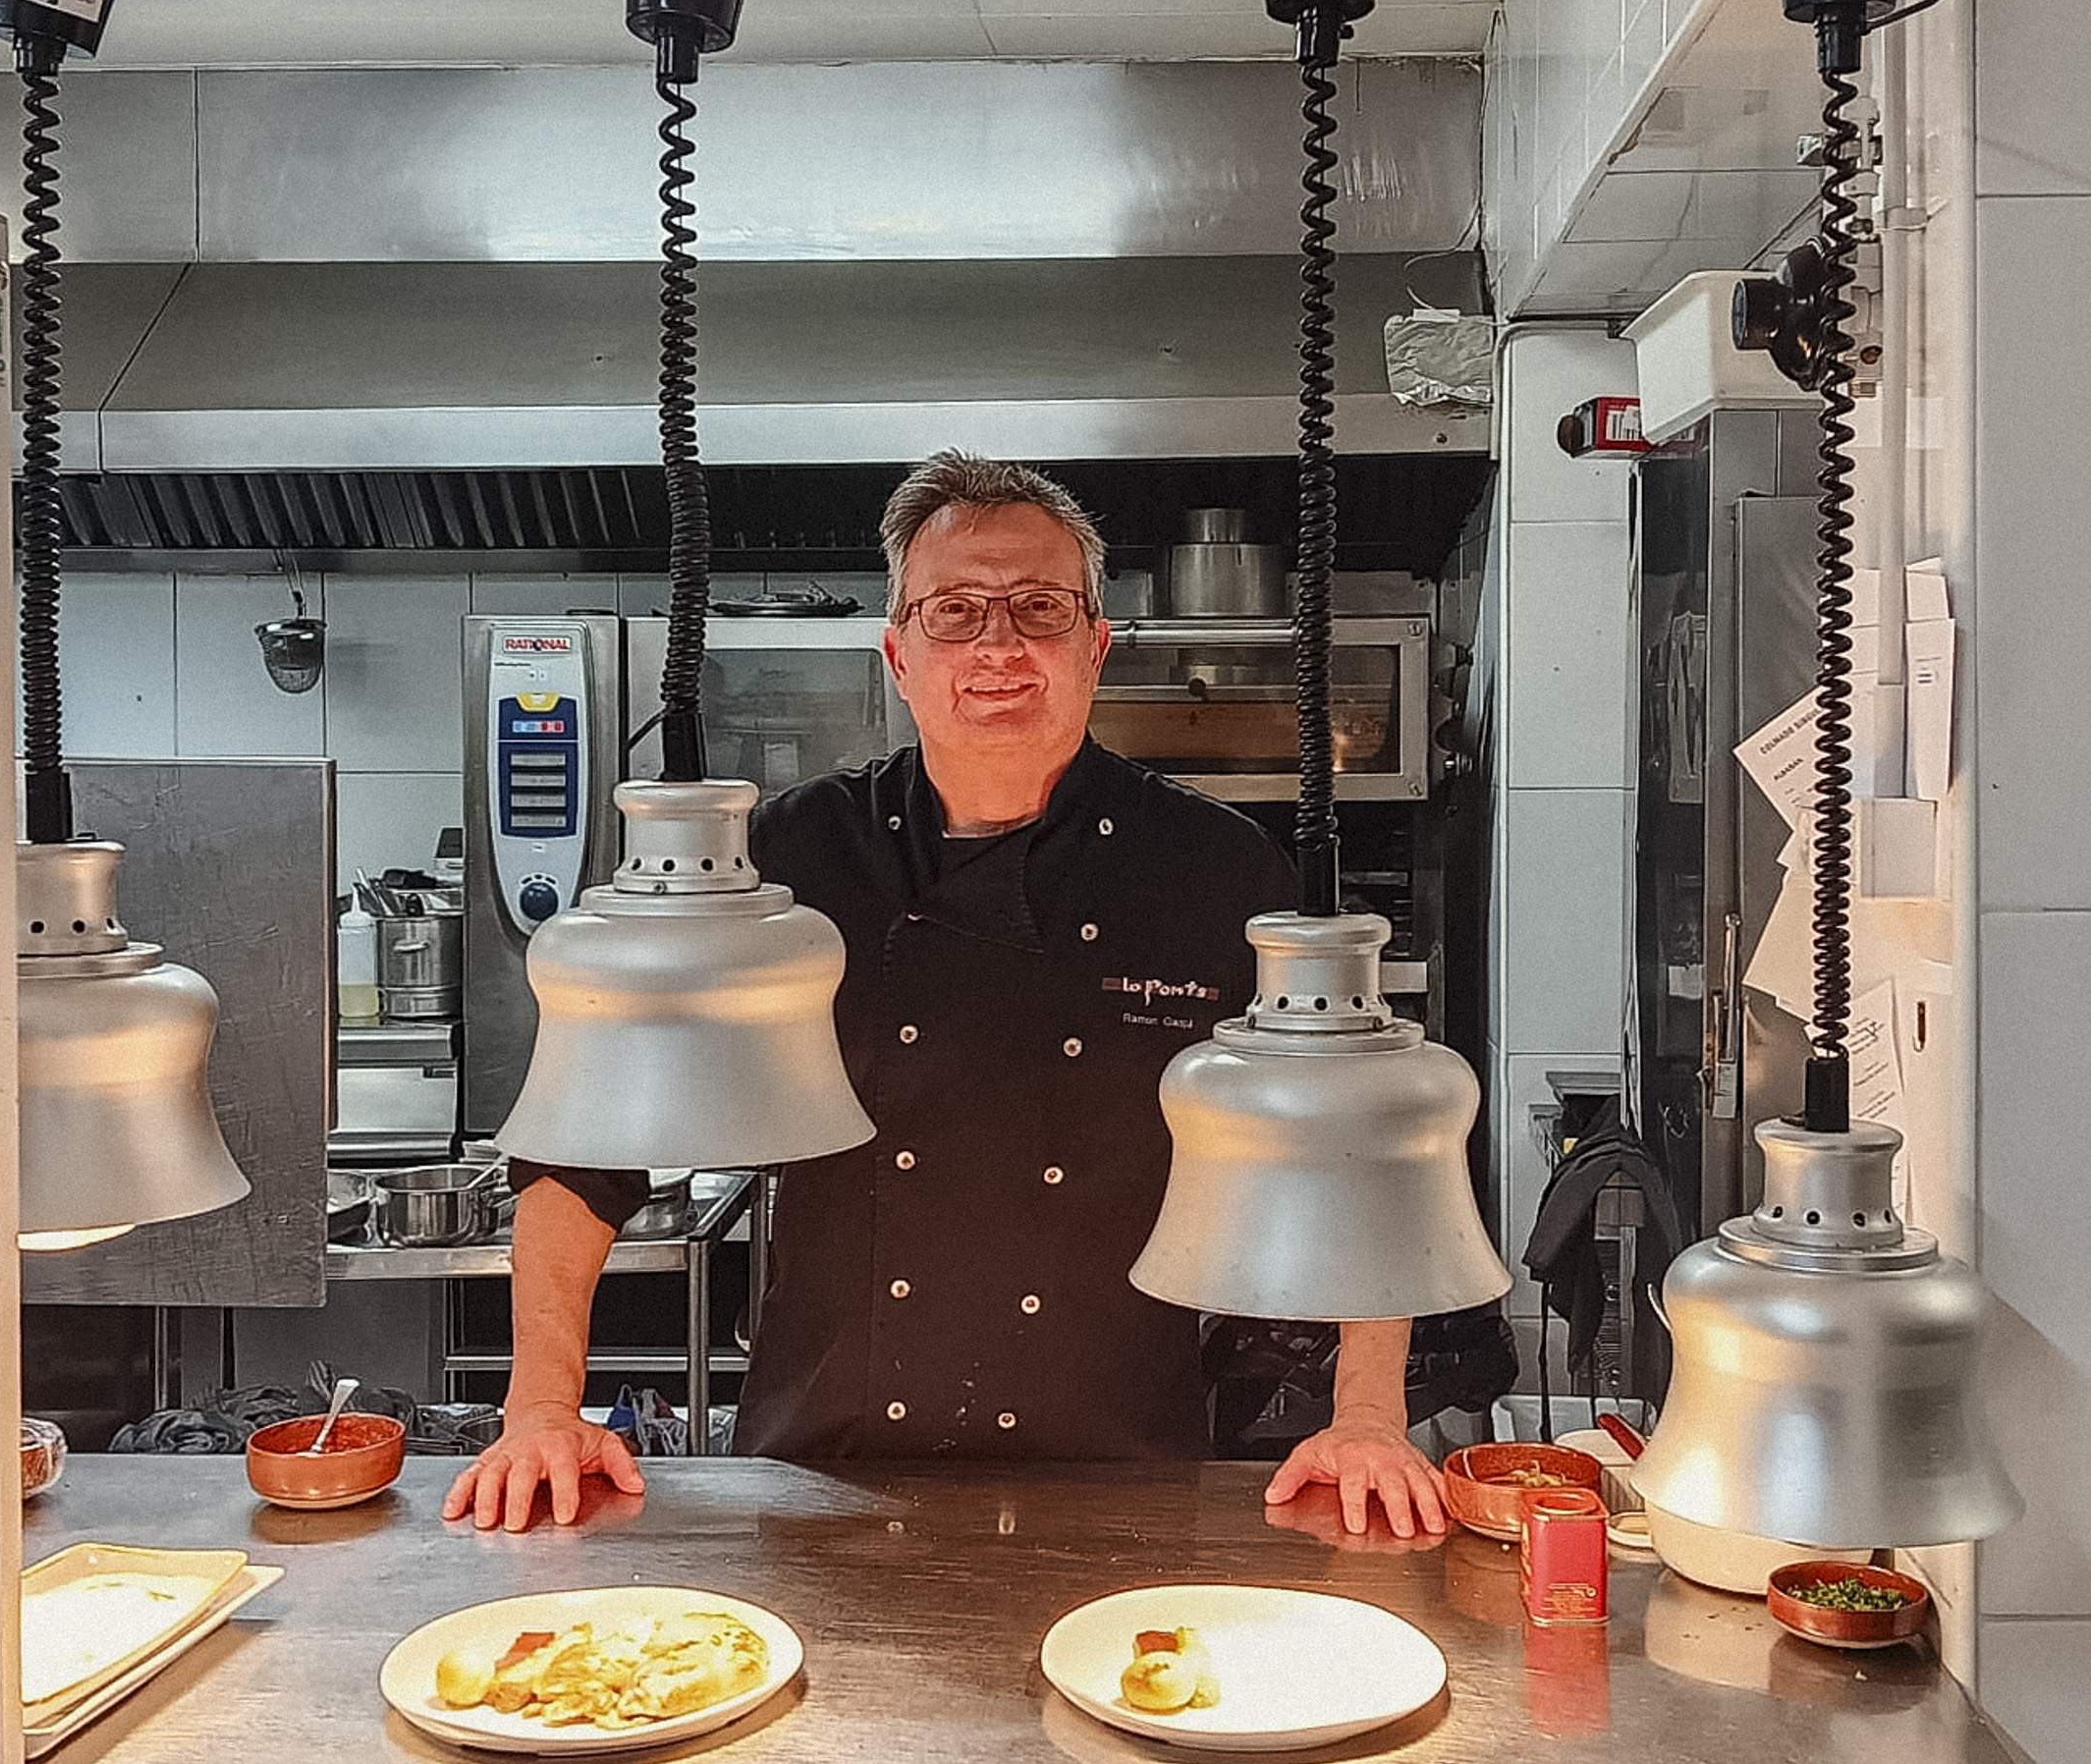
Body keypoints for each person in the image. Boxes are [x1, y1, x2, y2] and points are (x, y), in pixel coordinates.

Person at [448, 453, 1453, 1541]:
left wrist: (1367, 1415)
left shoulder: (1216, 870)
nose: (999, 647)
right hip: (818, 1465)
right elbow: (582, 1149)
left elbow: (1352, 1145)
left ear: (1096, 643)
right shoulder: (781, 865)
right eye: (956, 612)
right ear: (899, 655)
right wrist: (539, 1408)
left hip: (1120, 1467)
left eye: (1040, 609)